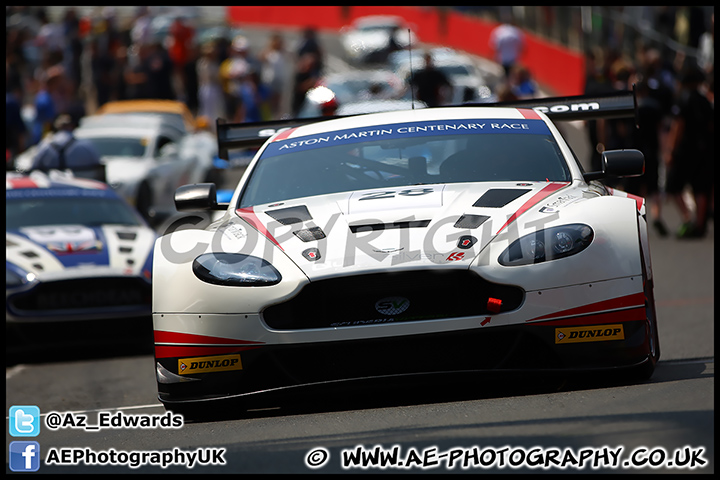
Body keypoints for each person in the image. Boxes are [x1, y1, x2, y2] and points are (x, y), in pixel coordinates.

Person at [665, 65, 714, 238]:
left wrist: (670, 149)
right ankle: (700, 226)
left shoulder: (682, 99)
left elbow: (678, 126)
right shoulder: (705, 101)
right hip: (704, 150)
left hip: (685, 150)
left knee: (674, 185)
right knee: (701, 188)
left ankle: (687, 218)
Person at [30, 114, 105, 181]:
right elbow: (98, 169)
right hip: (82, 187)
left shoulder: (45, 145)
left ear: (57, 127)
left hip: (52, 188)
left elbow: (34, 168)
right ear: (72, 127)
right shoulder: (86, 146)